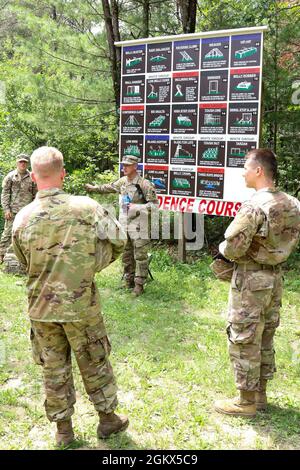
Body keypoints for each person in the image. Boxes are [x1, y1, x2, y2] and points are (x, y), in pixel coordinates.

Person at [12, 146, 129, 447]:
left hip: (41, 307)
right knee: (95, 359)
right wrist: (89, 266)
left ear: (35, 177)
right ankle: (107, 419)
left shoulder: (22, 218)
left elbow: (23, 263)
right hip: (80, 305)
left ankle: (63, 430)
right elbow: (119, 240)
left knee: (53, 367)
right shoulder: (86, 207)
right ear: (63, 174)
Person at [214, 148, 300, 417]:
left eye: (246, 167)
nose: (243, 172)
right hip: (275, 278)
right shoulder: (293, 204)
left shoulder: (254, 205)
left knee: (243, 336)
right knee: (265, 335)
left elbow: (234, 247)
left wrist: (222, 249)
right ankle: (260, 395)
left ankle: (245, 401)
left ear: (259, 171)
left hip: (251, 280)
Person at [86, 155, 158, 296]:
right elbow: (108, 187)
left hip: (139, 225)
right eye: (123, 165)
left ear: (135, 167)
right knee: (126, 254)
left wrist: (136, 207)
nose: (123, 167)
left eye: (127, 165)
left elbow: (154, 206)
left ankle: (139, 284)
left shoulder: (144, 184)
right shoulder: (123, 182)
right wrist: (93, 188)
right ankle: (128, 280)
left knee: (140, 255)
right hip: (125, 224)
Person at [0, 154, 37, 263]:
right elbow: (5, 194)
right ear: (17, 163)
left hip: (27, 212)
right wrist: (6, 209)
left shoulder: (32, 177)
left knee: (27, 233)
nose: (22, 164)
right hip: (13, 211)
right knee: (7, 233)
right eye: (21, 162)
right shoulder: (10, 176)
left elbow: (36, 195)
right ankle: (1, 254)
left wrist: (34, 210)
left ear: (27, 164)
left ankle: (25, 257)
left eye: (25, 162)